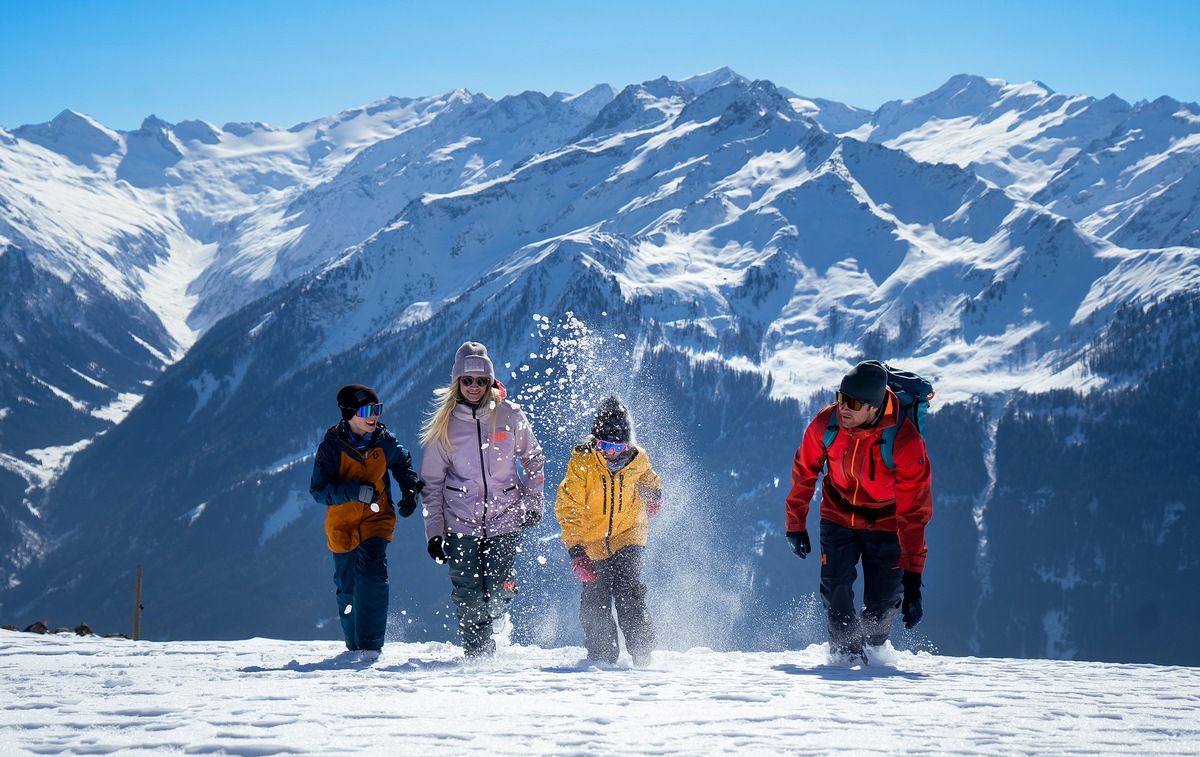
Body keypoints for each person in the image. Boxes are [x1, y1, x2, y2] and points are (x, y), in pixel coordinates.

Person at [784, 361, 933, 661]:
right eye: (841, 397)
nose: (844, 408)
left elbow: (914, 513)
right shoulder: (828, 423)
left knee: (881, 609)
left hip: (888, 524)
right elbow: (804, 470)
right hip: (838, 516)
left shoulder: (904, 442)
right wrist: (795, 524)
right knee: (835, 595)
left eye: (852, 403)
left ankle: (874, 660)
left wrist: (914, 582)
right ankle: (843, 661)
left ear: (874, 408)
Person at [419, 342, 545, 658]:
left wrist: (532, 502)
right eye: (467, 380)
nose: (474, 387)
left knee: (498, 592)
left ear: (490, 382)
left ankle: (500, 605)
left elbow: (533, 458)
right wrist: (434, 532)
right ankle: (479, 658)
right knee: (468, 595)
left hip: (506, 517)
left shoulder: (509, 415)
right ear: (457, 382)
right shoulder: (445, 425)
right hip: (460, 522)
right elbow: (431, 484)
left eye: (481, 381)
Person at [309, 384, 422, 659]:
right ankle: (354, 647)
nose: (375, 416)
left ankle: (371, 647)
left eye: (378, 409)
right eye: (368, 411)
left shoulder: (384, 440)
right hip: (342, 524)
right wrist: (352, 491)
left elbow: (403, 464)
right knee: (347, 587)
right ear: (349, 414)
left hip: (377, 517)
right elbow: (318, 490)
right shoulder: (332, 447)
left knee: (372, 575)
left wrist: (409, 491)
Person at [556, 396, 663, 667]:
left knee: (628, 589)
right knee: (596, 599)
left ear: (628, 443)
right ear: (595, 441)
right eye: (604, 445)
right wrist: (576, 553)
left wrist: (653, 493)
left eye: (618, 445)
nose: (612, 452)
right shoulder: (582, 463)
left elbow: (648, 475)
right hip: (591, 540)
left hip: (629, 532)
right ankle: (602, 657)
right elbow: (569, 508)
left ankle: (642, 653)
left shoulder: (637, 459)